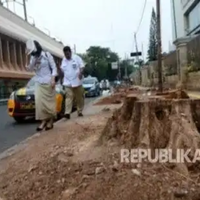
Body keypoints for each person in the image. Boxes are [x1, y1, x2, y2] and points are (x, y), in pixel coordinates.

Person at [26, 40, 57, 131]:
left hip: (48, 82)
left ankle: (50, 122)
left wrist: (53, 79)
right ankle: (43, 121)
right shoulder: (33, 58)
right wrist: (28, 60)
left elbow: (54, 67)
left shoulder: (47, 55)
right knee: (39, 103)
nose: (34, 54)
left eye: (35, 52)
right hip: (38, 82)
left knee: (49, 104)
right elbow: (30, 69)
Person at [60, 46, 85, 119]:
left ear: (70, 52)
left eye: (68, 54)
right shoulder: (63, 60)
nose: (67, 56)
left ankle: (79, 111)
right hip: (67, 82)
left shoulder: (77, 58)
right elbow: (62, 70)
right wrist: (61, 78)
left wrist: (81, 73)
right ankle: (67, 113)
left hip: (77, 81)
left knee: (79, 97)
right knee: (68, 97)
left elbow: (82, 66)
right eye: (65, 54)